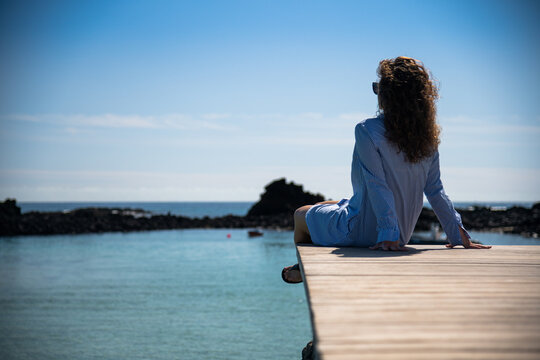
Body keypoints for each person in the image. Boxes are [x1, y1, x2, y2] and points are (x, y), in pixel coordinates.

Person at [282, 56, 491, 284]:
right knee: (328, 204)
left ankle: (302, 269)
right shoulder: (427, 139)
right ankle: (304, 262)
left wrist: (387, 234)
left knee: (301, 214)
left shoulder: (367, 130)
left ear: (388, 95)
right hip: (402, 233)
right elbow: (435, 190)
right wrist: (456, 232)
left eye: (378, 87)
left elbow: (376, 184)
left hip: (370, 232)